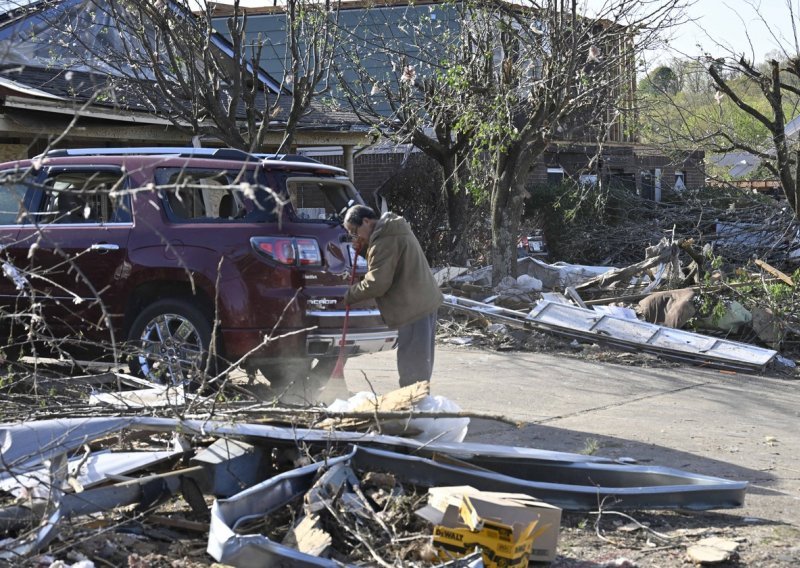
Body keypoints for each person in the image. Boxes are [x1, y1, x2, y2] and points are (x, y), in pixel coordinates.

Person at [343, 205, 443, 387]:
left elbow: (377, 283)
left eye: (354, 232)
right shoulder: (391, 231)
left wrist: (348, 295)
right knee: (419, 360)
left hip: (413, 307)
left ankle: (413, 405)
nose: (355, 238)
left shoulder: (385, 239)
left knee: (412, 364)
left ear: (366, 221)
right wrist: (365, 248)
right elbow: (385, 264)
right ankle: (417, 403)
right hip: (422, 302)